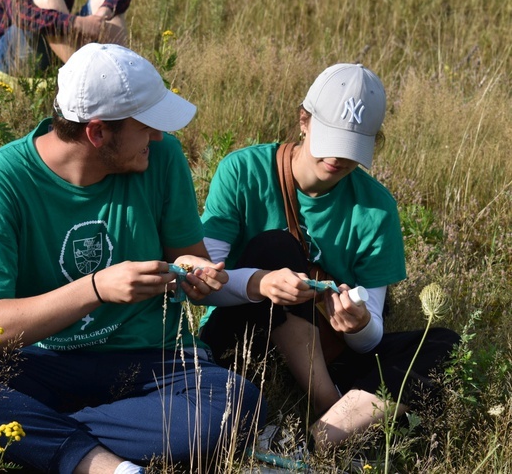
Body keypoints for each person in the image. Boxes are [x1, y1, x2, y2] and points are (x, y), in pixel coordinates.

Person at [0, 43, 264, 473]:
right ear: (97, 132)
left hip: (150, 362)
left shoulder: (161, 159)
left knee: (235, 404)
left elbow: (187, 255)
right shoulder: (0, 184)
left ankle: (22, 438)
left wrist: (194, 273)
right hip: (38, 362)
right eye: (146, 126)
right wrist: (96, 289)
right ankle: (101, 464)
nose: (159, 136)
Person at [197, 63, 460, 453]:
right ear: (303, 120)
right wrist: (260, 283)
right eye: (331, 138)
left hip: (327, 348)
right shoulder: (243, 171)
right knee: (276, 249)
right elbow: (203, 285)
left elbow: (368, 338)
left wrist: (358, 324)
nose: (337, 157)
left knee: (445, 345)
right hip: (244, 338)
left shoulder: (377, 208)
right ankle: (333, 408)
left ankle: (309, 442)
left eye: (352, 146)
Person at [0, 0, 133, 75]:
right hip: (8, 52)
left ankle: (124, 77)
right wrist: (76, 23)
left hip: (59, 45)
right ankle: (86, 81)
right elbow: (21, 14)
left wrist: (103, 12)